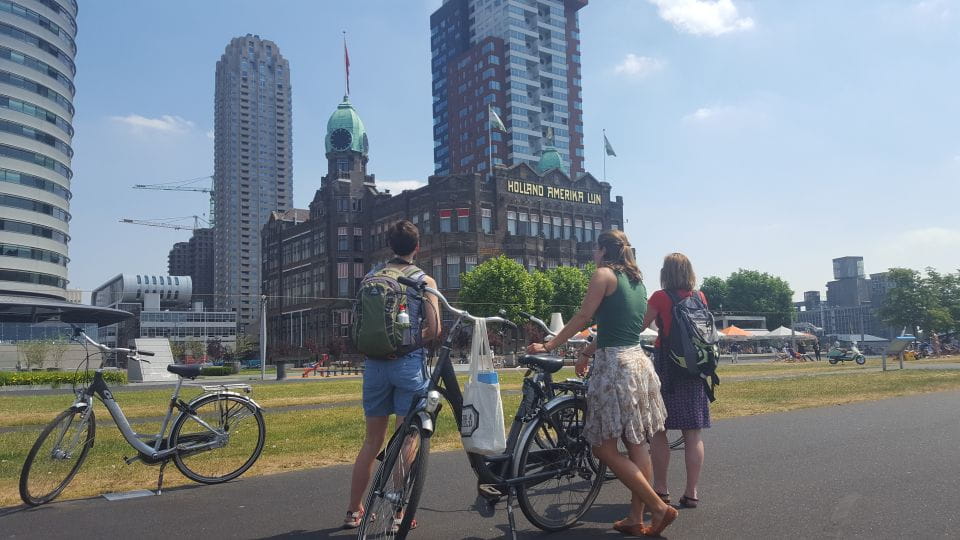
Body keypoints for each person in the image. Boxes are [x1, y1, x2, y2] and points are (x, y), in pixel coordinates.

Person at [527, 230, 677, 536]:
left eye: (594, 250)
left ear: (602, 251)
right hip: (637, 363)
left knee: (603, 449)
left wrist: (551, 344)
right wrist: (586, 350)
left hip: (614, 368)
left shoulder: (603, 275)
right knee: (637, 445)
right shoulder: (637, 281)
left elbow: (584, 316)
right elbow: (620, 329)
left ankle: (658, 508)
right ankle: (637, 518)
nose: (593, 255)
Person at [344, 220, 440, 529]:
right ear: (417, 247)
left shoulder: (371, 277)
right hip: (407, 365)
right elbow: (435, 327)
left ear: (389, 246)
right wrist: (413, 339)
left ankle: (354, 510)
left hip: (374, 366)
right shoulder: (423, 280)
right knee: (405, 439)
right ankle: (399, 512)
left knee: (372, 441)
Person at [642, 253, 710, 510]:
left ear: (665, 272)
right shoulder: (699, 297)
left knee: (659, 428)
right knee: (693, 432)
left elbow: (640, 325)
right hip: (694, 368)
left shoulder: (660, 297)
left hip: (667, 366)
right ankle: (691, 492)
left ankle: (661, 489)